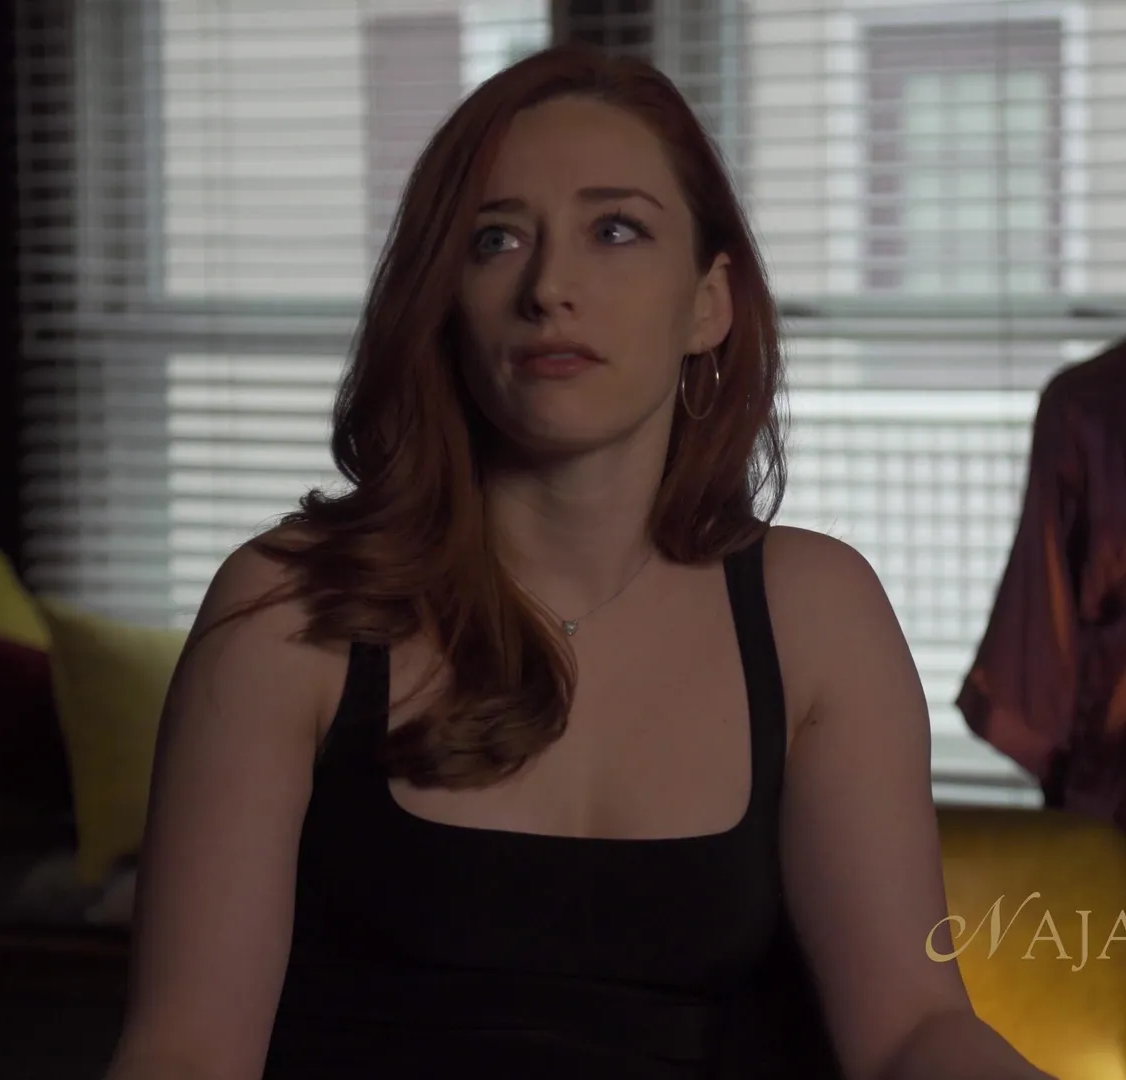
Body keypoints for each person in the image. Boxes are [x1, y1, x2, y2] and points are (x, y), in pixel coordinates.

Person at [103, 43, 1055, 1080]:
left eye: (616, 230)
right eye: (496, 239)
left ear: (710, 302)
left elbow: (911, 1026)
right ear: (443, 297)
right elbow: (187, 1051)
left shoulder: (817, 615)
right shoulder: (292, 610)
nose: (550, 287)